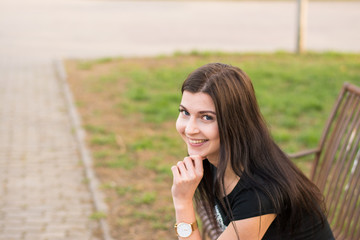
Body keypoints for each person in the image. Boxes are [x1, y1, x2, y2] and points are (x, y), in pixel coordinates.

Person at [170, 63, 334, 240]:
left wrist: (182, 202)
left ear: (235, 122)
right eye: (185, 112)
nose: (190, 129)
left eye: (207, 117)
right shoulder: (219, 155)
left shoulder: (257, 193)